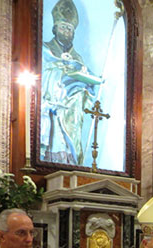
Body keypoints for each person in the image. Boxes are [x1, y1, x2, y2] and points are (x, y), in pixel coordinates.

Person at [40, 0, 101, 165]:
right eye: (63, 27)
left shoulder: (78, 59)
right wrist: (59, 74)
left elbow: (89, 92)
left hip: (72, 113)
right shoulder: (45, 50)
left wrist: (88, 84)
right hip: (52, 108)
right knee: (54, 141)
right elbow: (42, 76)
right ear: (55, 28)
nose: (66, 31)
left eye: (69, 29)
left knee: (71, 148)